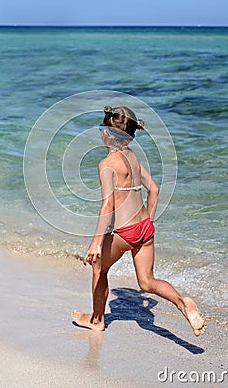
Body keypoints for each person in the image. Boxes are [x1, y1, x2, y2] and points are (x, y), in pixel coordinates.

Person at [71, 106, 206, 336]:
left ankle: (96, 320)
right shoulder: (133, 157)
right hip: (145, 228)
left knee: (98, 268)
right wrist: (147, 224)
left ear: (106, 134)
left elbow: (108, 205)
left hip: (125, 232)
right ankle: (182, 302)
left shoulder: (106, 165)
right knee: (147, 282)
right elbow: (154, 189)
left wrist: (95, 243)